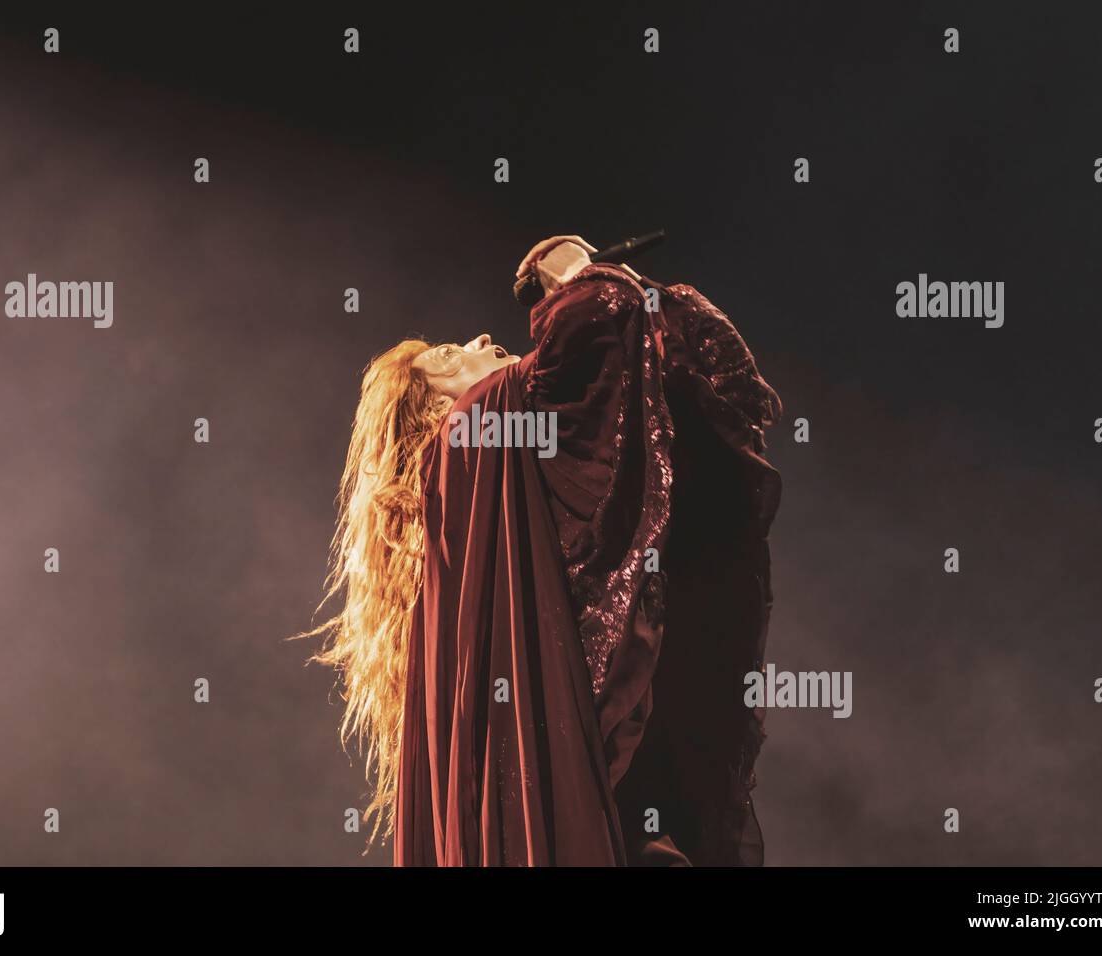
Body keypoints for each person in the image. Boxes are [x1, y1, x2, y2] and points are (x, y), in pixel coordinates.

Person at [309, 235, 783, 865]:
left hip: (593, 758)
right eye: (452, 357)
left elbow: (641, 403)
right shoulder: (467, 435)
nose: (480, 340)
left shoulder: (492, 475)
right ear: (432, 411)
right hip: (577, 765)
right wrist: (568, 269)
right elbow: (593, 340)